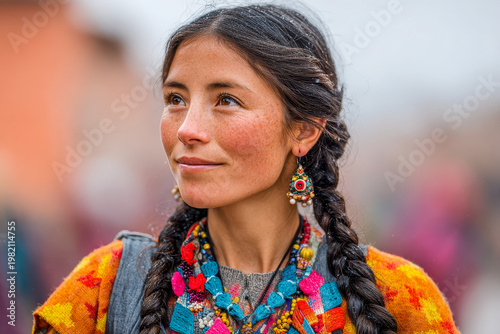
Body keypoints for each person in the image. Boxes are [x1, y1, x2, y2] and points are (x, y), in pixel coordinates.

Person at [32, 4, 460, 334]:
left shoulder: (397, 296)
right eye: (176, 98)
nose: (187, 128)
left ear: (304, 130)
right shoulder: (106, 287)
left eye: (226, 100)